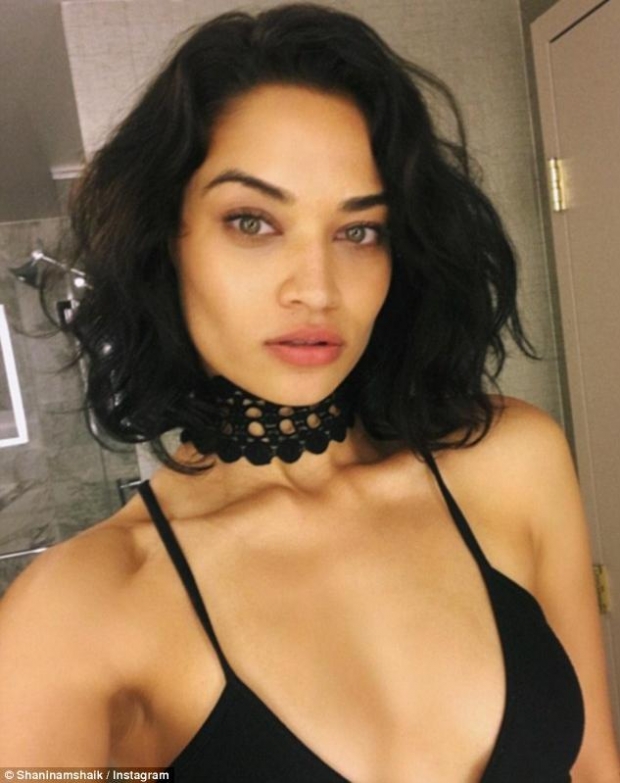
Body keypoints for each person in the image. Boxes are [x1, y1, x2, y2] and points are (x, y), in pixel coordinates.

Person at [0, 3, 618, 780]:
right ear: (166, 241)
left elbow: (596, 764)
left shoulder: (514, 460)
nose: (317, 289)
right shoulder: (80, 608)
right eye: (252, 222)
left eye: (359, 230)